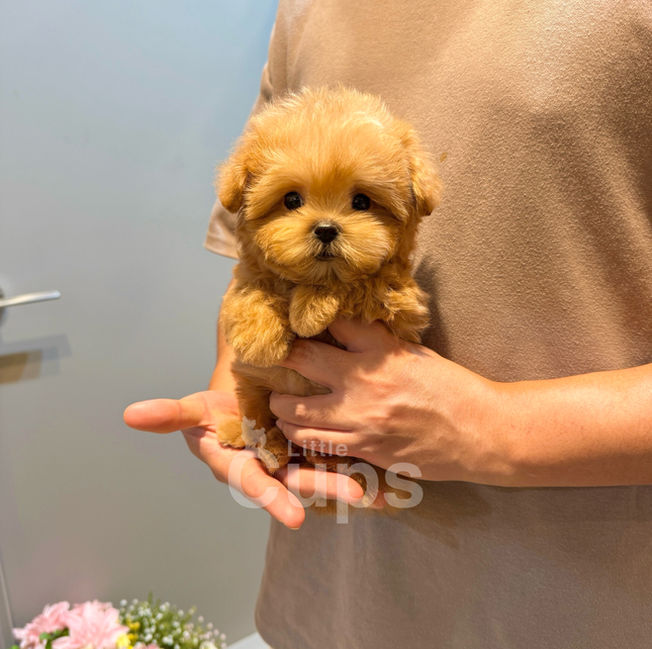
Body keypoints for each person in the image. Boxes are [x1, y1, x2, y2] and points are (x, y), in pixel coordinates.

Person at [124, 1, 652, 647]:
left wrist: (491, 425)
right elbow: (255, 252)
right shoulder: (306, 10)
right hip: (325, 592)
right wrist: (244, 390)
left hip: (574, 601)